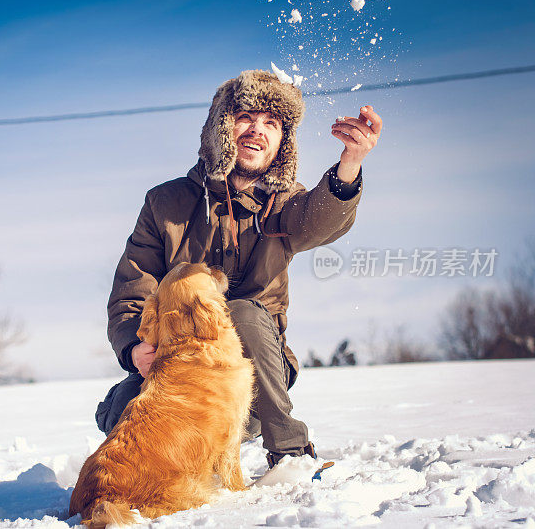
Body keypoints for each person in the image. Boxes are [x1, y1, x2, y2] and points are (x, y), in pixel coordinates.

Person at [97, 69, 382, 468]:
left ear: (283, 142)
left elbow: (320, 221)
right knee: (122, 410)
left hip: (255, 374)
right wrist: (133, 348)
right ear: (220, 127)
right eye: (246, 117)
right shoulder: (165, 203)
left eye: (272, 123)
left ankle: (290, 454)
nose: (257, 130)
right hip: (181, 363)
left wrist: (350, 164)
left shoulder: (286, 204)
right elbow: (133, 287)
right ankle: (182, 463)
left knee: (243, 312)